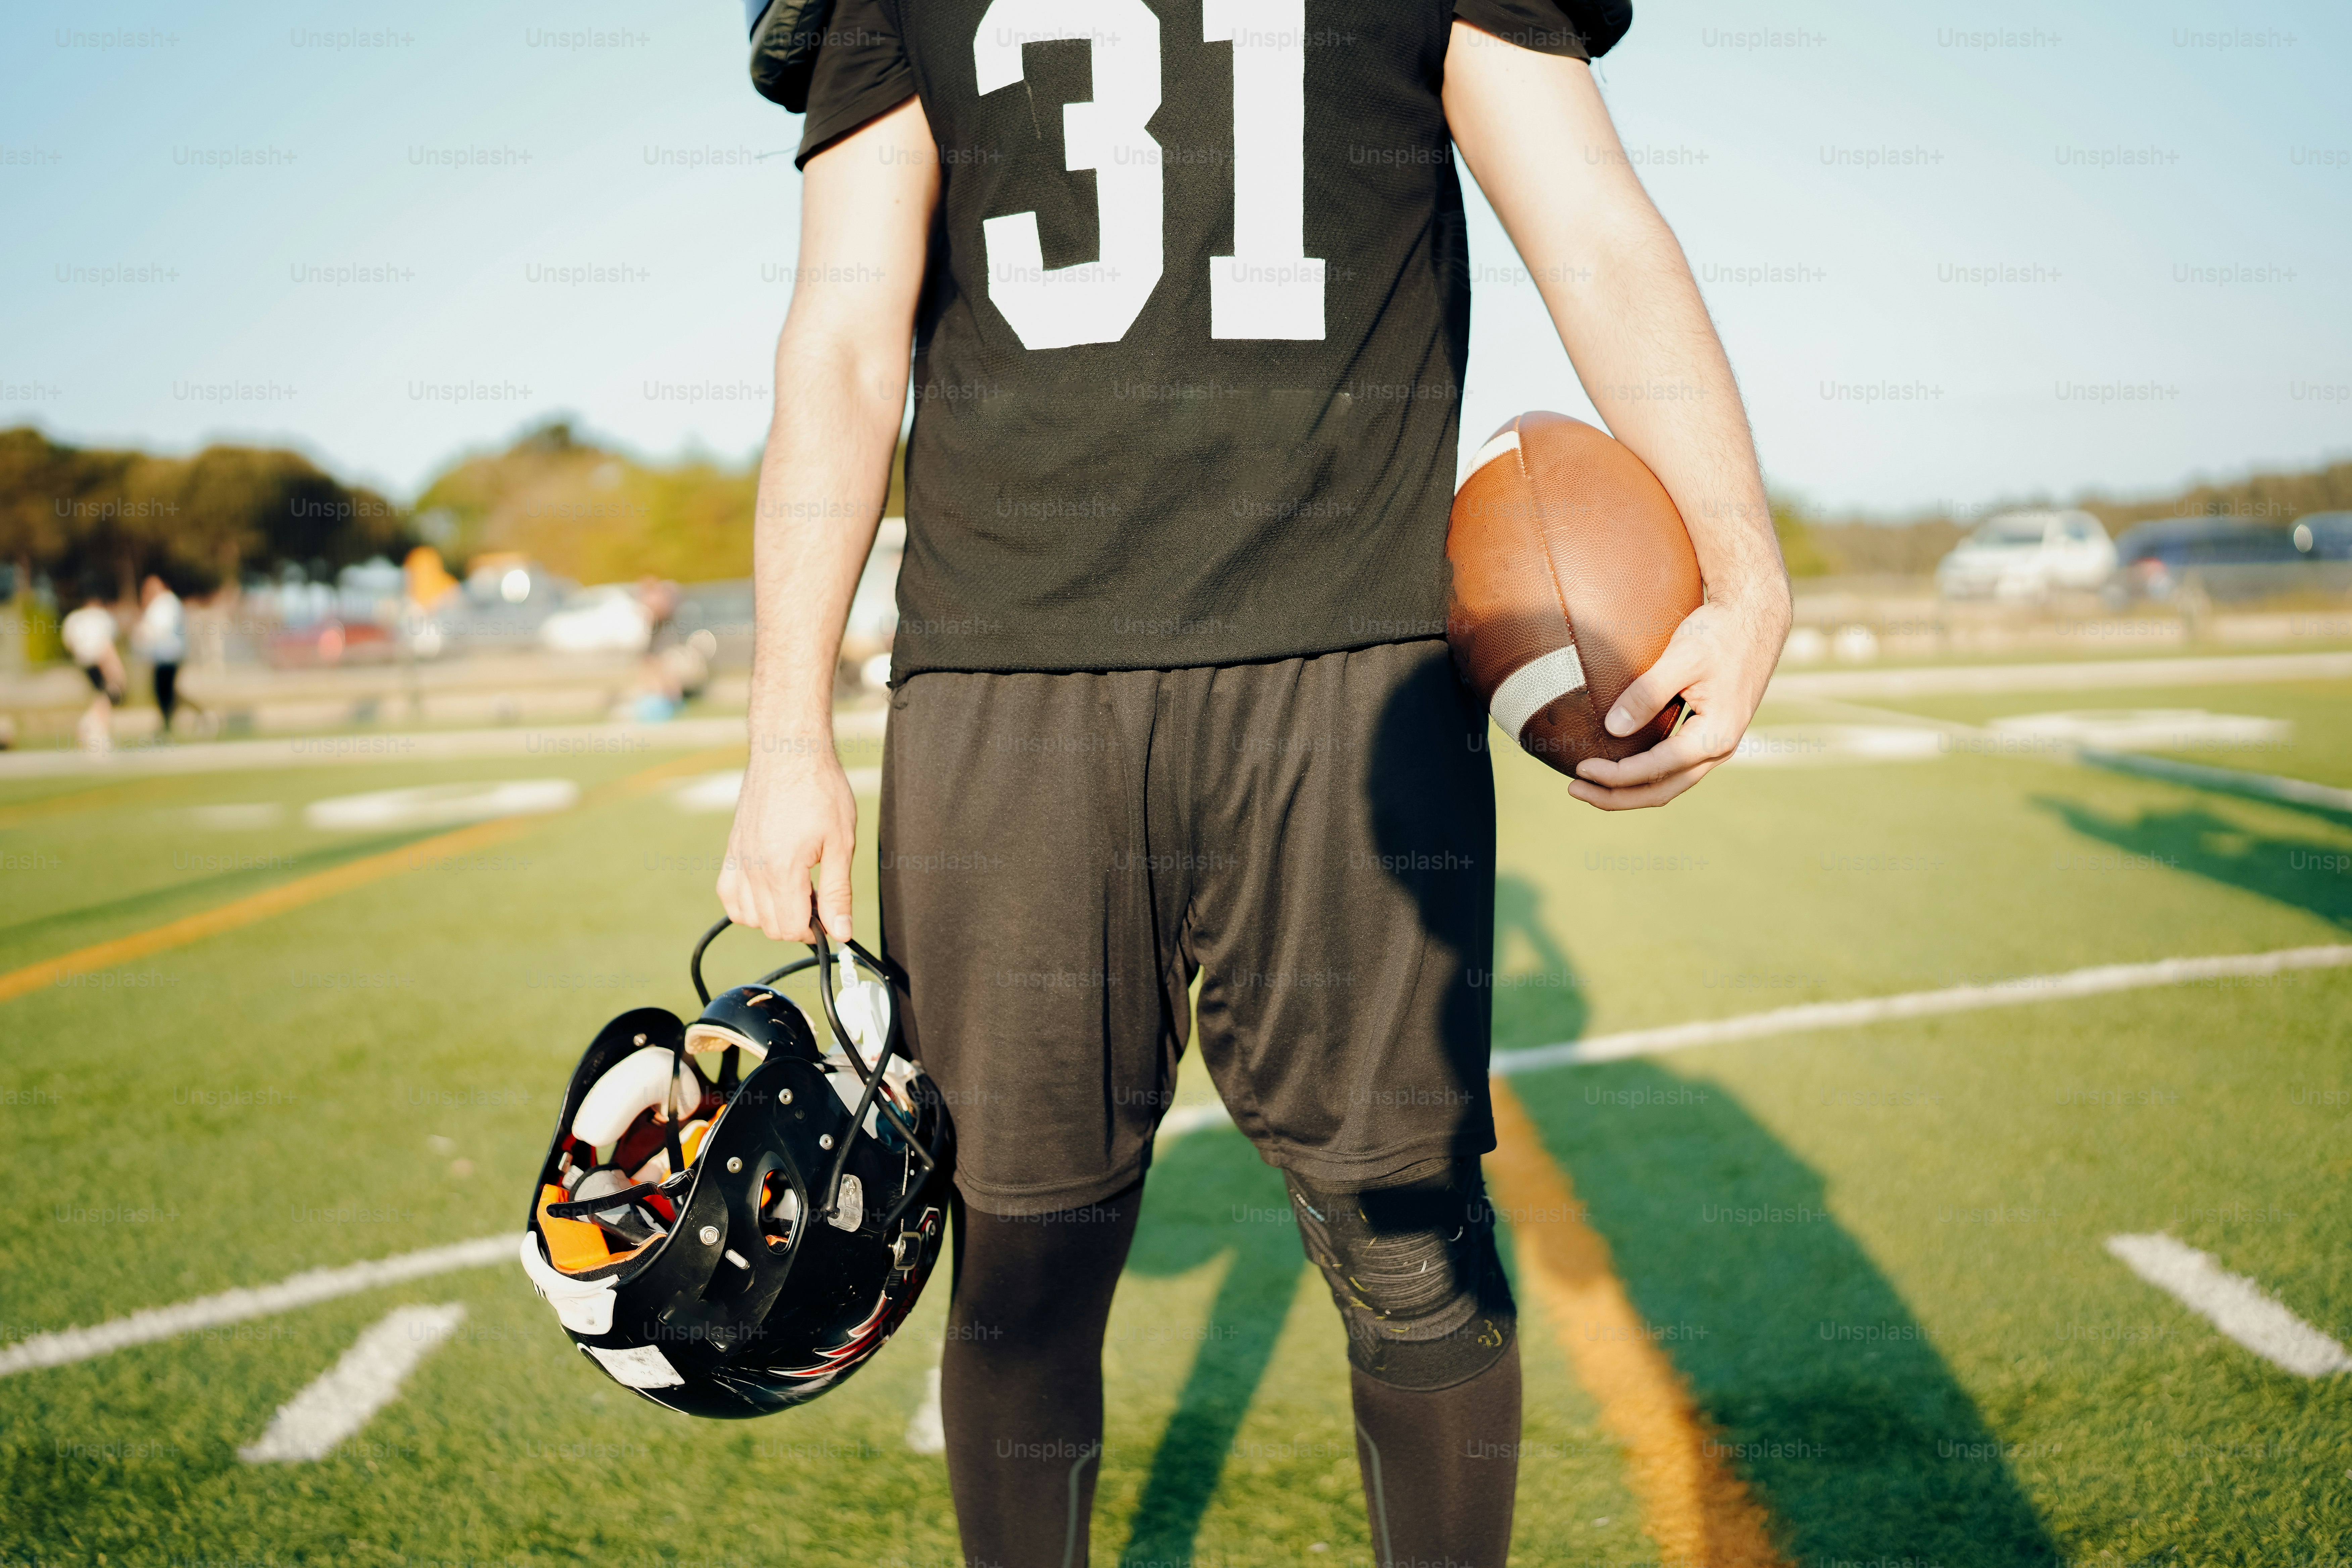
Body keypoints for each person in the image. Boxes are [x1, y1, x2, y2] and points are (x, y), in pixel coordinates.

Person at [718, 4, 1793, 1564]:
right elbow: (842, 332)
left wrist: (1744, 561)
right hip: (1011, 674)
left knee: (1411, 1252)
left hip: (1346, 656)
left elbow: (1590, 221)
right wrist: (783, 730)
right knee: (1017, 1263)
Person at [60, 590, 125, 754]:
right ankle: (96, 730)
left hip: (83, 662)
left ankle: (93, 728)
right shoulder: (103, 617)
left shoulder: (74, 618)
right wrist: (118, 671)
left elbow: (70, 643)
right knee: (107, 696)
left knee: (100, 696)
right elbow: (106, 645)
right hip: (100, 660)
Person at [132, 575, 186, 737]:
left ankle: (167, 724)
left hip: (169, 654)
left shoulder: (167, 603)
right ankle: (169, 722)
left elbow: (158, 629)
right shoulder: (158, 604)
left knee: (165, 691)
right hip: (161, 656)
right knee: (165, 691)